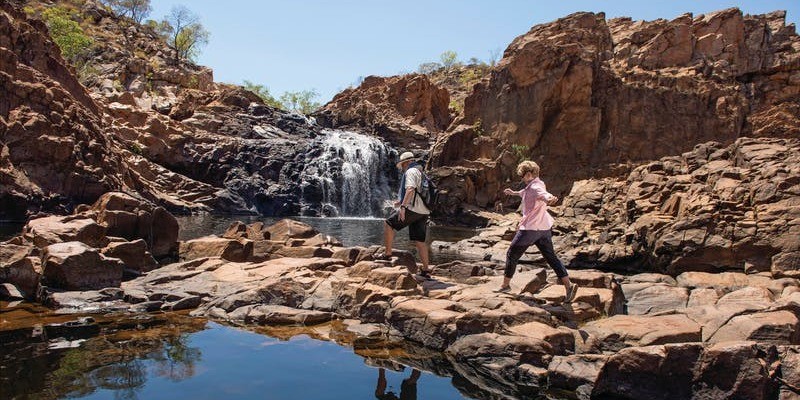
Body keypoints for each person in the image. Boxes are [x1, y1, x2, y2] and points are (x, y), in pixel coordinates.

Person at [498, 160, 578, 302]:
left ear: (528, 174)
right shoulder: (536, 184)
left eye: (522, 176)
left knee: (512, 253)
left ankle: (505, 285)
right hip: (544, 228)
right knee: (551, 257)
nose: (521, 179)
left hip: (531, 228)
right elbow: (526, 192)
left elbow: (543, 195)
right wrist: (514, 192)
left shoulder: (535, 187)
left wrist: (550, 198)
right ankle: (568, 286)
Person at [378, 151, 432, 278]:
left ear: (407, 163)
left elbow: (410, 189)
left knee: (388, 223)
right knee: (420, 240)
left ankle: (388, 254)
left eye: (402, 165)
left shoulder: (411, 171)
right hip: (423, 211)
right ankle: (425, 269)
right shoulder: (421, 172)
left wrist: (403, 206)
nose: (402, 168)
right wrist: (400, 201)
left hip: (412, 209)